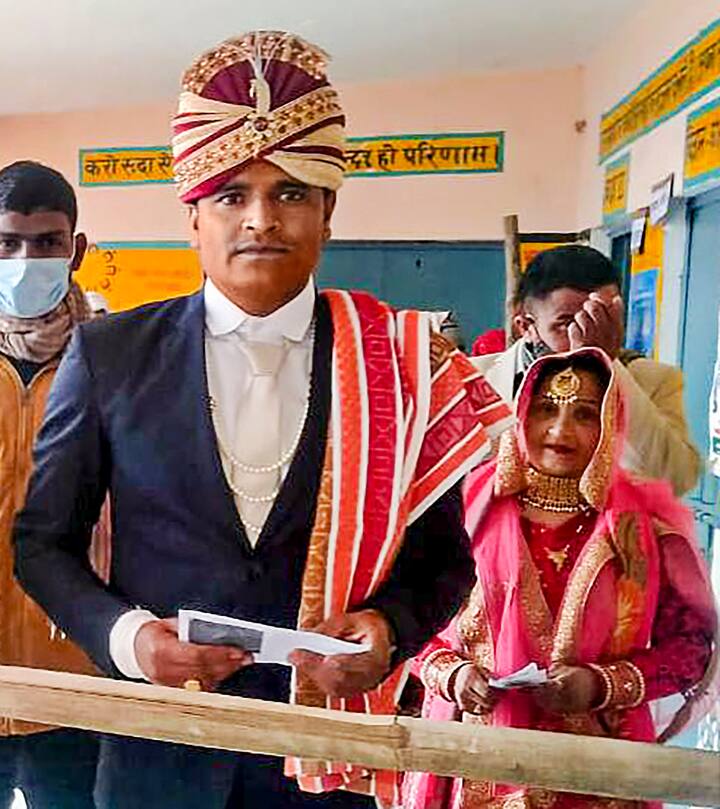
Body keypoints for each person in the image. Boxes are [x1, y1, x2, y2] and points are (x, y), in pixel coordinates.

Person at [13, 32, 511, 809]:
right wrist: (130, 640)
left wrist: (389, 628)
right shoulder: (108, 356)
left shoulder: (400, 365)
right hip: (157, 756)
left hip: (327, 759)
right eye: (231, 195)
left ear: (328, 212)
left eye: (290, 192)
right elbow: (43, 545)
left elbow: (445, 558)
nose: (260, 219)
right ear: (194, 218)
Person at [404, 348, 718, 809]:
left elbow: (690, 650)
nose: (559, 430)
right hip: (475, 758)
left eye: (584, 414)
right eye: (547, 409)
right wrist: (453, 674)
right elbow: (409, 621)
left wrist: (601, 684)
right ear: (523, 413)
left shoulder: (644, 533)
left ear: (610, 424)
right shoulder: (466, 512)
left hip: (596, 772)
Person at [0, 161, 99, 808]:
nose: (24, 259)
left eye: (45, 242)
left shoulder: (114, 364)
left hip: (77, 686)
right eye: (6, 243)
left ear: (77, 250)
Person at [470, 245, 700, 495]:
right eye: (567, 323)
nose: (586, 335)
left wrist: (608, 366)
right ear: (525, 326)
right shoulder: (471, 380)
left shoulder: (653, 380)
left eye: (602, 318)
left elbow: (674, 481)